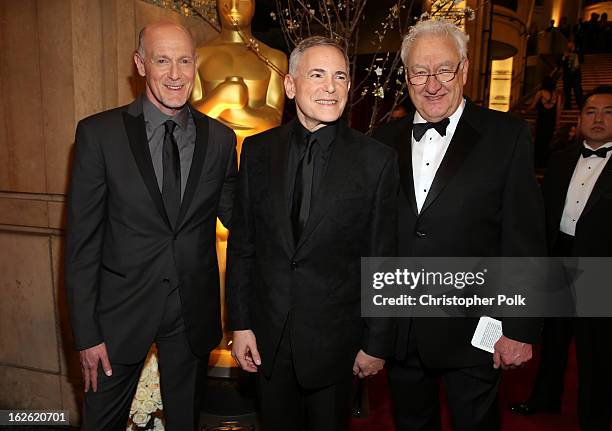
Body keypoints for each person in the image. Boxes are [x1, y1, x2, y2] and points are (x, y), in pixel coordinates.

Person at [373, 19, 546, 431]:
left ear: (465, 70)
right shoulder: (380, 142)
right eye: (419, 72)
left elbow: (523, 240)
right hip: (401, 331)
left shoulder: (507, 136)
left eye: (444, 70)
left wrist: (518, 327)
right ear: (406, 76)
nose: (432, 84)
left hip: (476, 334)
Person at [64, 21, 237, 430]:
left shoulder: (220, 140)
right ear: (141, 64)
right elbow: (82, 246)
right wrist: (86, 335)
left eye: (183, 61)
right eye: (162, 60)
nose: (175, 74)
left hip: (191, 316)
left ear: (196, 65)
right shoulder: (98, 135)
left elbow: (242, 220)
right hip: (117, 318)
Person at [226, 36, 399, 431]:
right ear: (290, 85)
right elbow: (243, 246)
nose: (331, 87)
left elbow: (383, 259)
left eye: (340, 76)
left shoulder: (375, 162)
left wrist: (376, 343)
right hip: (269, 337)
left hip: (336, 344)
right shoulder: (256, 151)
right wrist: (241, 324)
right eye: (318, 75)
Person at [539, 86, 612, 430]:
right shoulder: (559, 159)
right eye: (591, 111)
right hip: (558, 254)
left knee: (592, 347)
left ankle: (593, 416)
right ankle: (544, 398)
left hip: (599, 264)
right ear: (580, 118)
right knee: (551, 336)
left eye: (608, 112)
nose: (598, 119)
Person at [191, 0, 287, 151]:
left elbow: (274, 121)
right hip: (211, 156)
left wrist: (240, 112)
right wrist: (219, 98)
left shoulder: (273, 58)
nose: (234, 6)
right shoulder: (197, 57)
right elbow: (189, 121)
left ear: (254, 5)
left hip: (256, 157)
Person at [529, 76, 563, 168]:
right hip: (551, 122)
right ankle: (545, 163)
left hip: (541, 121)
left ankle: (536, 162)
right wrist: (557, 123)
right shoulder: (557, 95)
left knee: (539, 140)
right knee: (547, 141)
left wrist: (525, 111)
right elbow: (558, 111)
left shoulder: (540, 93)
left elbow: (532, 106)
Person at [561, 41, 583, 110]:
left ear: (573, 46)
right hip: (567, 76)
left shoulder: (578, 52)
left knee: (578, 91)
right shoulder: (564, 53)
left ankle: (580, 105)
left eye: (571, 46)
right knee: (567, 92)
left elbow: (582, 60)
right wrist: (564, 57)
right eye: (568, 46)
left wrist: (575, 53)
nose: (569, 47)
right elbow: (559, 63)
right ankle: (567, 106)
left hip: (576, 76)